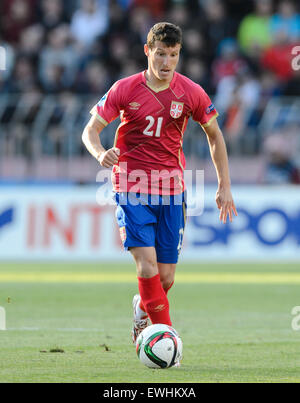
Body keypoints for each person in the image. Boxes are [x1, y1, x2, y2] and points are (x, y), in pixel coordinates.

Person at [82, 23, 237, 351]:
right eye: (161, 54)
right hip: (132, 185)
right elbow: (90, 130)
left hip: (172, 190)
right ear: (147, 51)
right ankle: (165, 340)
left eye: (174, 55)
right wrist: (100, 153)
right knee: (146, 265)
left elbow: (215, 135)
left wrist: (224, 184)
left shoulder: (191, 92)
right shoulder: (125, 88)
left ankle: (142, 308)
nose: (167, 62)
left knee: (165, 278)